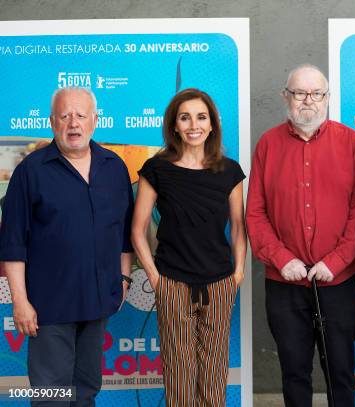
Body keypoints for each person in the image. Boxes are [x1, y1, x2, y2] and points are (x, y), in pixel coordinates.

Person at [0, 87, 134, 406]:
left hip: (98, 301)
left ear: (95, 121)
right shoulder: (30, 172)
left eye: (80, 115)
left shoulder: (114, 167)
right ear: (52, 122)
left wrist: (124, 278)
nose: (73, 122)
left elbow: (125, 233)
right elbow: (13, 244)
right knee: (52, 396)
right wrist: (21, 301)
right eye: (64, 115)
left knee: (86, 390)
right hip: (48, 306)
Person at [246, 64, 355, 407]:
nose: (308, 101)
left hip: (338, 282)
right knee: (294, 373)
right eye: (299, 93)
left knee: (341, 372)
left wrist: (338, 260)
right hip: (284, 283)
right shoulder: (268, 144)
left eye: (316, 93)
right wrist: (282, 259)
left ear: (327, 98)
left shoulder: (351, 143)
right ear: (286, 96)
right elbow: (255, 212)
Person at [131, 88, 246, 407]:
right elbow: (138, 231)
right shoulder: (156, 169)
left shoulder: (230, 171)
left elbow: (238, 226)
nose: (193, 124)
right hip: (173, 283)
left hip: (220, 283)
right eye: (185, 117)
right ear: (174, 125)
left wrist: (238, 272)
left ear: (211, 125)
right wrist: (156, 279)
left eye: (201, 117)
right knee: (179, 375)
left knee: (213, 374)